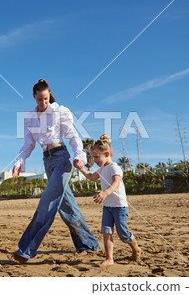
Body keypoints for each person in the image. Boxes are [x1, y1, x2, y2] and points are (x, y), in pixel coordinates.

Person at [11, 79, 100, 263]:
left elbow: (73, 136)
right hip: (47, 161)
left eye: (46, 98)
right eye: (39, 100)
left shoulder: (60, 111)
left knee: (47, 202)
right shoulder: (30, 117)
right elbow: (29, 144)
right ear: (34, 98)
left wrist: (79, 155)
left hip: (61, 159)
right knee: (67, 206)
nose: (43, 103)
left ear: (49, 94)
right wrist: (19, 162)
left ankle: (26, 249)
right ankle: (89, 243)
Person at [78, 134, 141, 266]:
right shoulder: (101, 169)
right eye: (92, 157)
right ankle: (109, 259)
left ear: (106, 153)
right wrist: (81, 168)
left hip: (119, 206)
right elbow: (90, 177)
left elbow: (116, 183)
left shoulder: (114, 167)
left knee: (123, 233)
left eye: (96, 157)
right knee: (106, 232)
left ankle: (136, 249)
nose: (94, 160)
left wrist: (105, 193)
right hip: (107, 207)